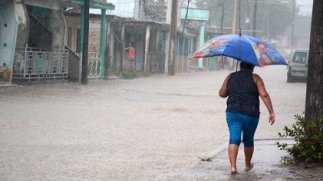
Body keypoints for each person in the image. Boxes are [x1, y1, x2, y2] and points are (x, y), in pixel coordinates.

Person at [219, 62, 275, 174]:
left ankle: (233, 167)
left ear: (240, 66)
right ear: (253, 67)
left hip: (233, 112)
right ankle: (247, 165)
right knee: (248, 139)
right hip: (251, 113)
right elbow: (264, 95)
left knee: (234, 138)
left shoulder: (231, 76)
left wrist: (233, 87)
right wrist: (271, 112)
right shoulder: (256, 78)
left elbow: (222, 93)